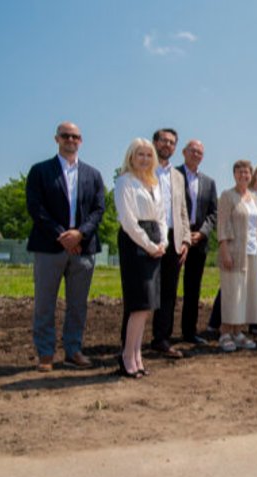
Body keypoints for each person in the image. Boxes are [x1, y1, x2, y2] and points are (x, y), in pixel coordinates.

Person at [26, 122, 105, 372]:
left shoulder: (93, 175)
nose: (71, 139)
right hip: (50, 247)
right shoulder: (40, 171)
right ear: (57, 139)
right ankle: (46, 353)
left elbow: (98, 209)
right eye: (66, 136)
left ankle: (73, 350)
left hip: (83, 249)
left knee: (78, 304)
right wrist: (63, 235)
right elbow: (36, 208)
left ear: (81, 141)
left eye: (75, 136)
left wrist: (80, 234)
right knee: (45, 303)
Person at [114, 138, 168, 378]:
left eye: (149, 155)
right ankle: (127, 357)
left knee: (147, 307)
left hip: (155, 242)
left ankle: (137, 355)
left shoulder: (155, 183)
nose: (145, 159)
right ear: (131, 157)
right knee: (137, 305)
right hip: (135, 243)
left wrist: (163, 242)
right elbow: (128, 220)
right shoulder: (125, 181)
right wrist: (148, 245)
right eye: (140, 154)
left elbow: (162, 217)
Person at [207, 161, 257, 334]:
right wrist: (224, 249)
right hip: (237, 245)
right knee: (232, 287)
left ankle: (246, 327)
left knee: (253, 287)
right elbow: (224, 224)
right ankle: (220, 327)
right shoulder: (234, 194)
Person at [146, 129, 190, 359]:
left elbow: (182, 211)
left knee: (168, 293)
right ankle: (129, 342)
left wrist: (186, 240)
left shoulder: (178, 176)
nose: (167, 145)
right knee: (143, 291)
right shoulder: (142, 168)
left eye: (172, 142)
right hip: (147, 236)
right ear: (155, 142)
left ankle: (161, 339)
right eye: (163, 140)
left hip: (173, 239)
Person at [216, 160, 257, 352]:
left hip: (252, 253)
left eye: (247, 172)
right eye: (240, 172)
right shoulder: (228, 196)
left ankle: (238, 332)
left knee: (245, 294)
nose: (243, 175)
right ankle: (225, 332)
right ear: (234, 174)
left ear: (250, 175)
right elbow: (223, 225)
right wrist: (224, 250)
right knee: (232, 293)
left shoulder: (254, 198)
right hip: (235, 252)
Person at [177, 140, 217, 344]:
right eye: (192, 151)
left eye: (200, 152)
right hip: (175, 238)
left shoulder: (209, 183)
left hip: (199, 240)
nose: (196, 154)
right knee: (168, 287)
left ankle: (189, 332)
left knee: (193, 289)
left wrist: (202, 233)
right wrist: (184, 233)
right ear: (184, 152)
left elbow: (213, 213)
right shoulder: (173, 176)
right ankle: (162, 334)